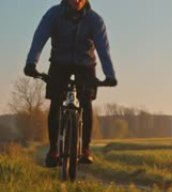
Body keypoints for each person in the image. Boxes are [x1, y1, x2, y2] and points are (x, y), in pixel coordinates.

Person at [23, 0, 117, 167]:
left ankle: (86, 150)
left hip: (85, 65)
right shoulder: (54, 14)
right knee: (56, 102)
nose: (76, 1)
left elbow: (103, 49)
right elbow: (40, 37)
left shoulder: (95, 20)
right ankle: (53, 151)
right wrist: (31, 63)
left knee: (86, 102)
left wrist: (109, 74)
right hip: (59, 63)